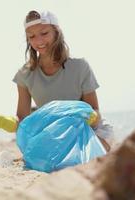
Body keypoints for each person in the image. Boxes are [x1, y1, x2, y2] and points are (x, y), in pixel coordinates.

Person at [12, 10, 111, 151]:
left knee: (99, 153)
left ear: (56, 32)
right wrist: (0, 122)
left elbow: (94, 110)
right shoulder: (25, 74)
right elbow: (22, 118)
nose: (38, 41)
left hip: (86, 129)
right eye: (32, 36)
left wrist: (85, 119)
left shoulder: (80, 66)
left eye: (44, 33)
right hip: (52, 134)